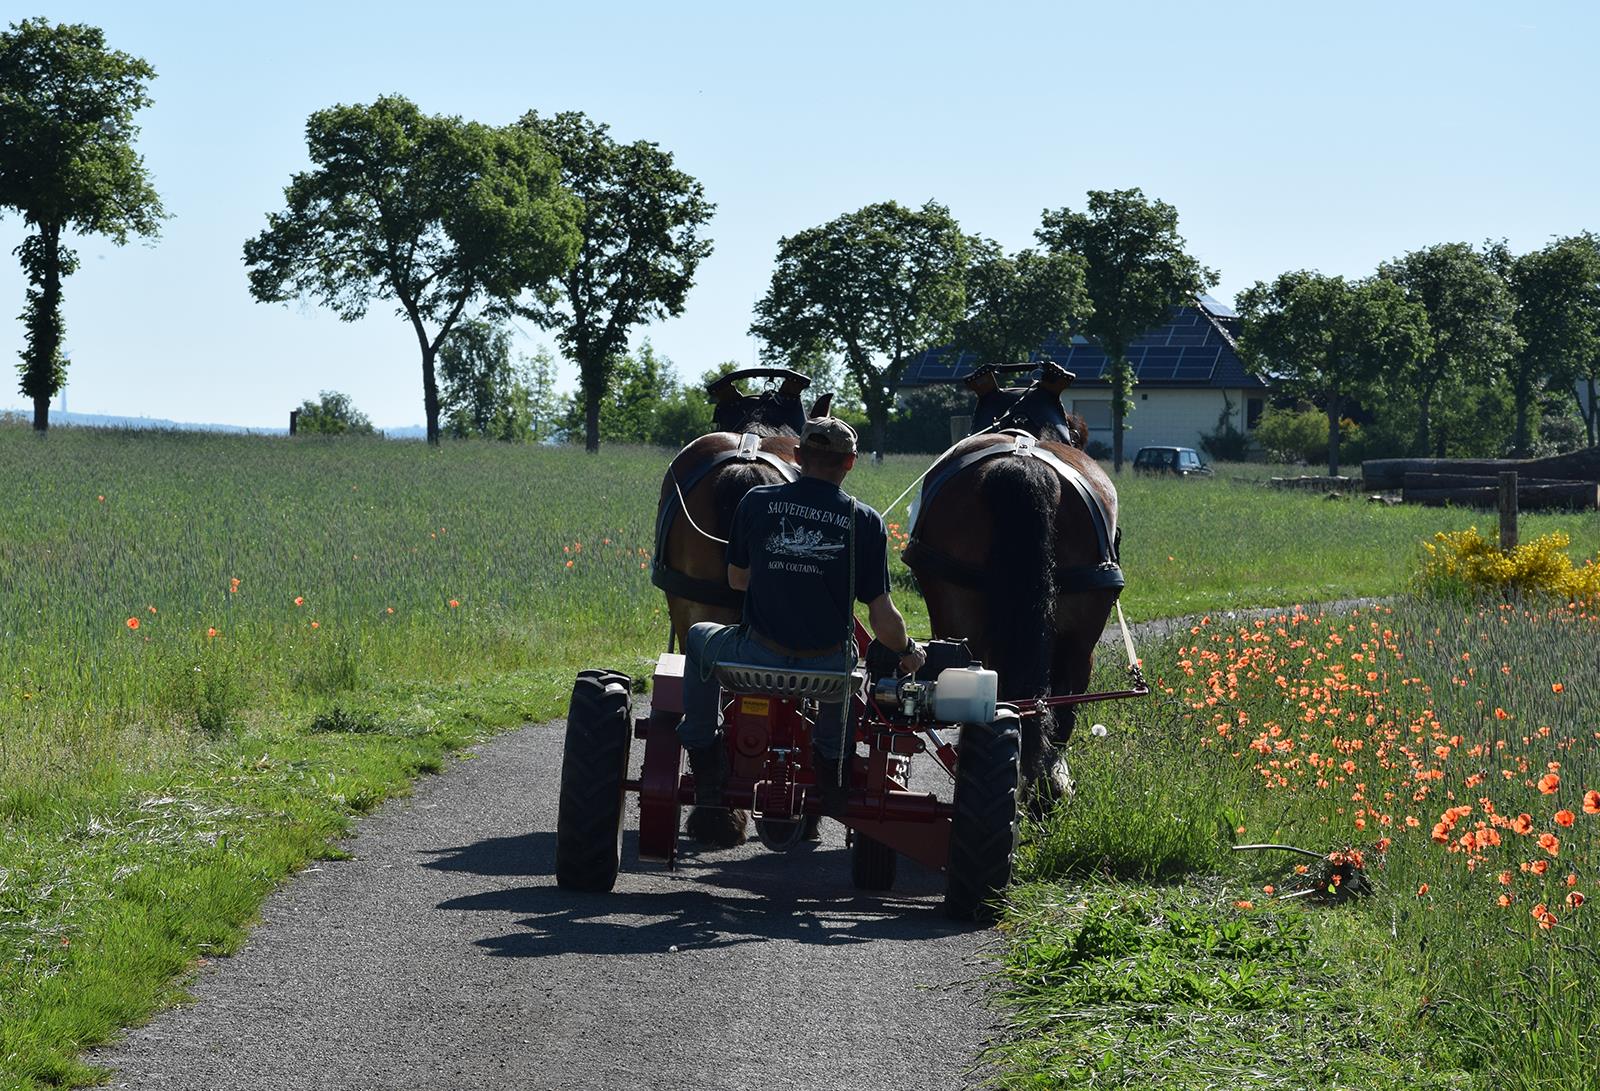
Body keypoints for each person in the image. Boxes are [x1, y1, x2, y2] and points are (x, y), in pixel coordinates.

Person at [678, 416, 927, 846]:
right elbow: (882, 617)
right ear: (849, 463)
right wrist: (908, 650)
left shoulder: (756, 502)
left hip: (755, 659)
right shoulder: (864, 520)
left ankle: (705, 754)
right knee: (850, 666)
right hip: (825, 668)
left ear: (797, 457)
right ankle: (832, 766)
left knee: (699, 636)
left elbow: (737, 580)